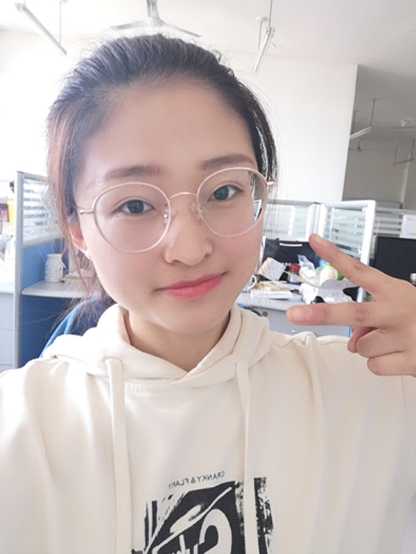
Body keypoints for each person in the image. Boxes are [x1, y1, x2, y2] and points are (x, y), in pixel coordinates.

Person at [1, 34, 416, 554]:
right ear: (77, 229)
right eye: (134, 205)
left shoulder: (374, 388)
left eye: (223, 191)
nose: (191, 248)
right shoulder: (23, 429)